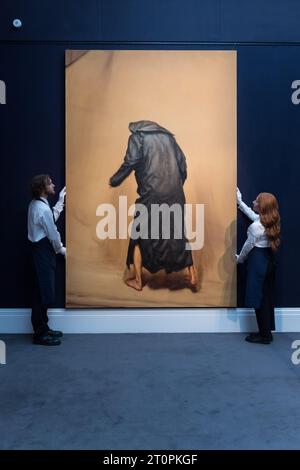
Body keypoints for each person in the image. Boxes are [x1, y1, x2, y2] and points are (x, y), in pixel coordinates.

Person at [109, 120, 197, 291]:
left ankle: (138, 281)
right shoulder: (169, 139)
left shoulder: (138, 136)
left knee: (138, 235)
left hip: (152, 194)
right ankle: (193, 276)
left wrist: (115, 180)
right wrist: (177, 185)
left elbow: (130, 161)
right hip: (175, 194)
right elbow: (183, 164)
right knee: (177, 232)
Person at [236, 188, 280, 344]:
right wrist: (240, 202)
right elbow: (252, 215)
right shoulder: (269, 221)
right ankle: (266, 332)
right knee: (265, 298)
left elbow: (248, 246)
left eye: (256, 201)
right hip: (268, 261)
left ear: (261, 207)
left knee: (258, 298)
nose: (253, 202)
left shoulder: (256, 227)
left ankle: (264, 336)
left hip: (258, 262)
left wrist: (239, 259)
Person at [27, 174, 66, 345]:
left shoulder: (37, 204)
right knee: (43, 293)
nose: (54, 185)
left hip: (39, 251)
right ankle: (40, 334)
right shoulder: (41, 208)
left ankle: (43, 328)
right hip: (43, 252)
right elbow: (52, 233)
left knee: (41, 292)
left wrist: (60, 201)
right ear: (43, 189)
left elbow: (49, 219)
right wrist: (61, 250)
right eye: (50, 183)